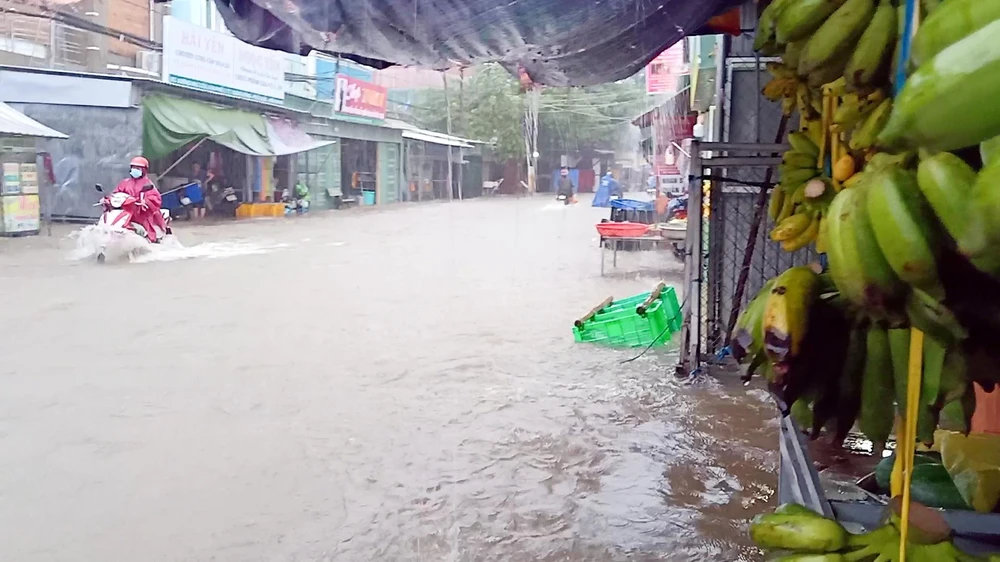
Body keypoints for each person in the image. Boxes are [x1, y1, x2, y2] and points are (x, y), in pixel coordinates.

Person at [113, 156, 165, 242]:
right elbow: (116, 193)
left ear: (144, 170)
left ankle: (149, 240)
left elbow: (155, 199)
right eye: (133, 168)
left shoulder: (148, 184)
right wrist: (108, 199)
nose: (135, 170)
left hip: (141, 214)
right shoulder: (125, 182)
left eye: (138, 168)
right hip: (126, 211)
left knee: (148, 233)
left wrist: (145, 202)